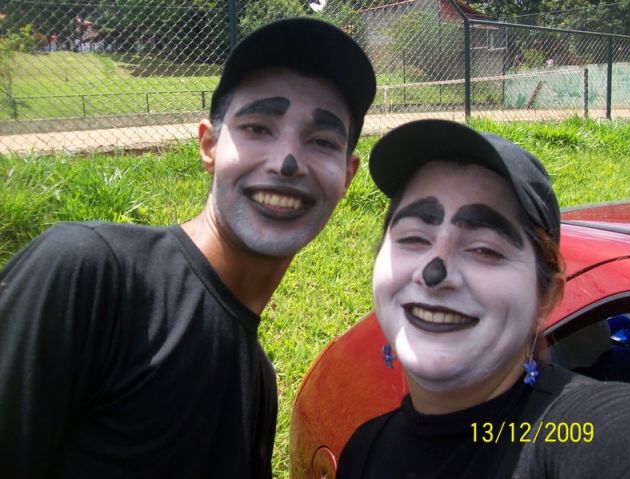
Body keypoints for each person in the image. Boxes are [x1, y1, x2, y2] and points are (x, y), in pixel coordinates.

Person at [0, 18, 376, 479]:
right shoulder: (89, 273)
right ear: (209, 145)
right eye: (258, 127)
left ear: (347, 177)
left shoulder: (258, 382)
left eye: (321, 141)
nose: (286, 163)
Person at [337, 120, 630, 479]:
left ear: (546, 298)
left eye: (485, 249)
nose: (434, 274)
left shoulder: (586, 432)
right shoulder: (363, 452)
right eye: (413, 238)